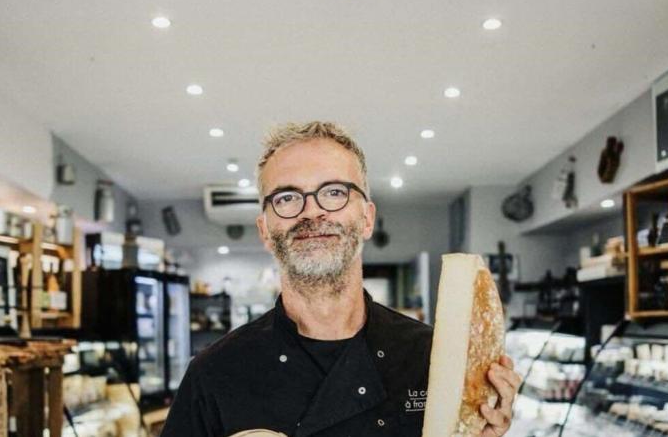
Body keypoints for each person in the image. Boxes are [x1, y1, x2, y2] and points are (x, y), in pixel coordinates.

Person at [161, 121, 521, 437]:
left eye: (334, 192)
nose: (312, 210)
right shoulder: (214, 373)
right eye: (287, 197)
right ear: (265, 231)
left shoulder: (433, 356)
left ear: (366, 219)